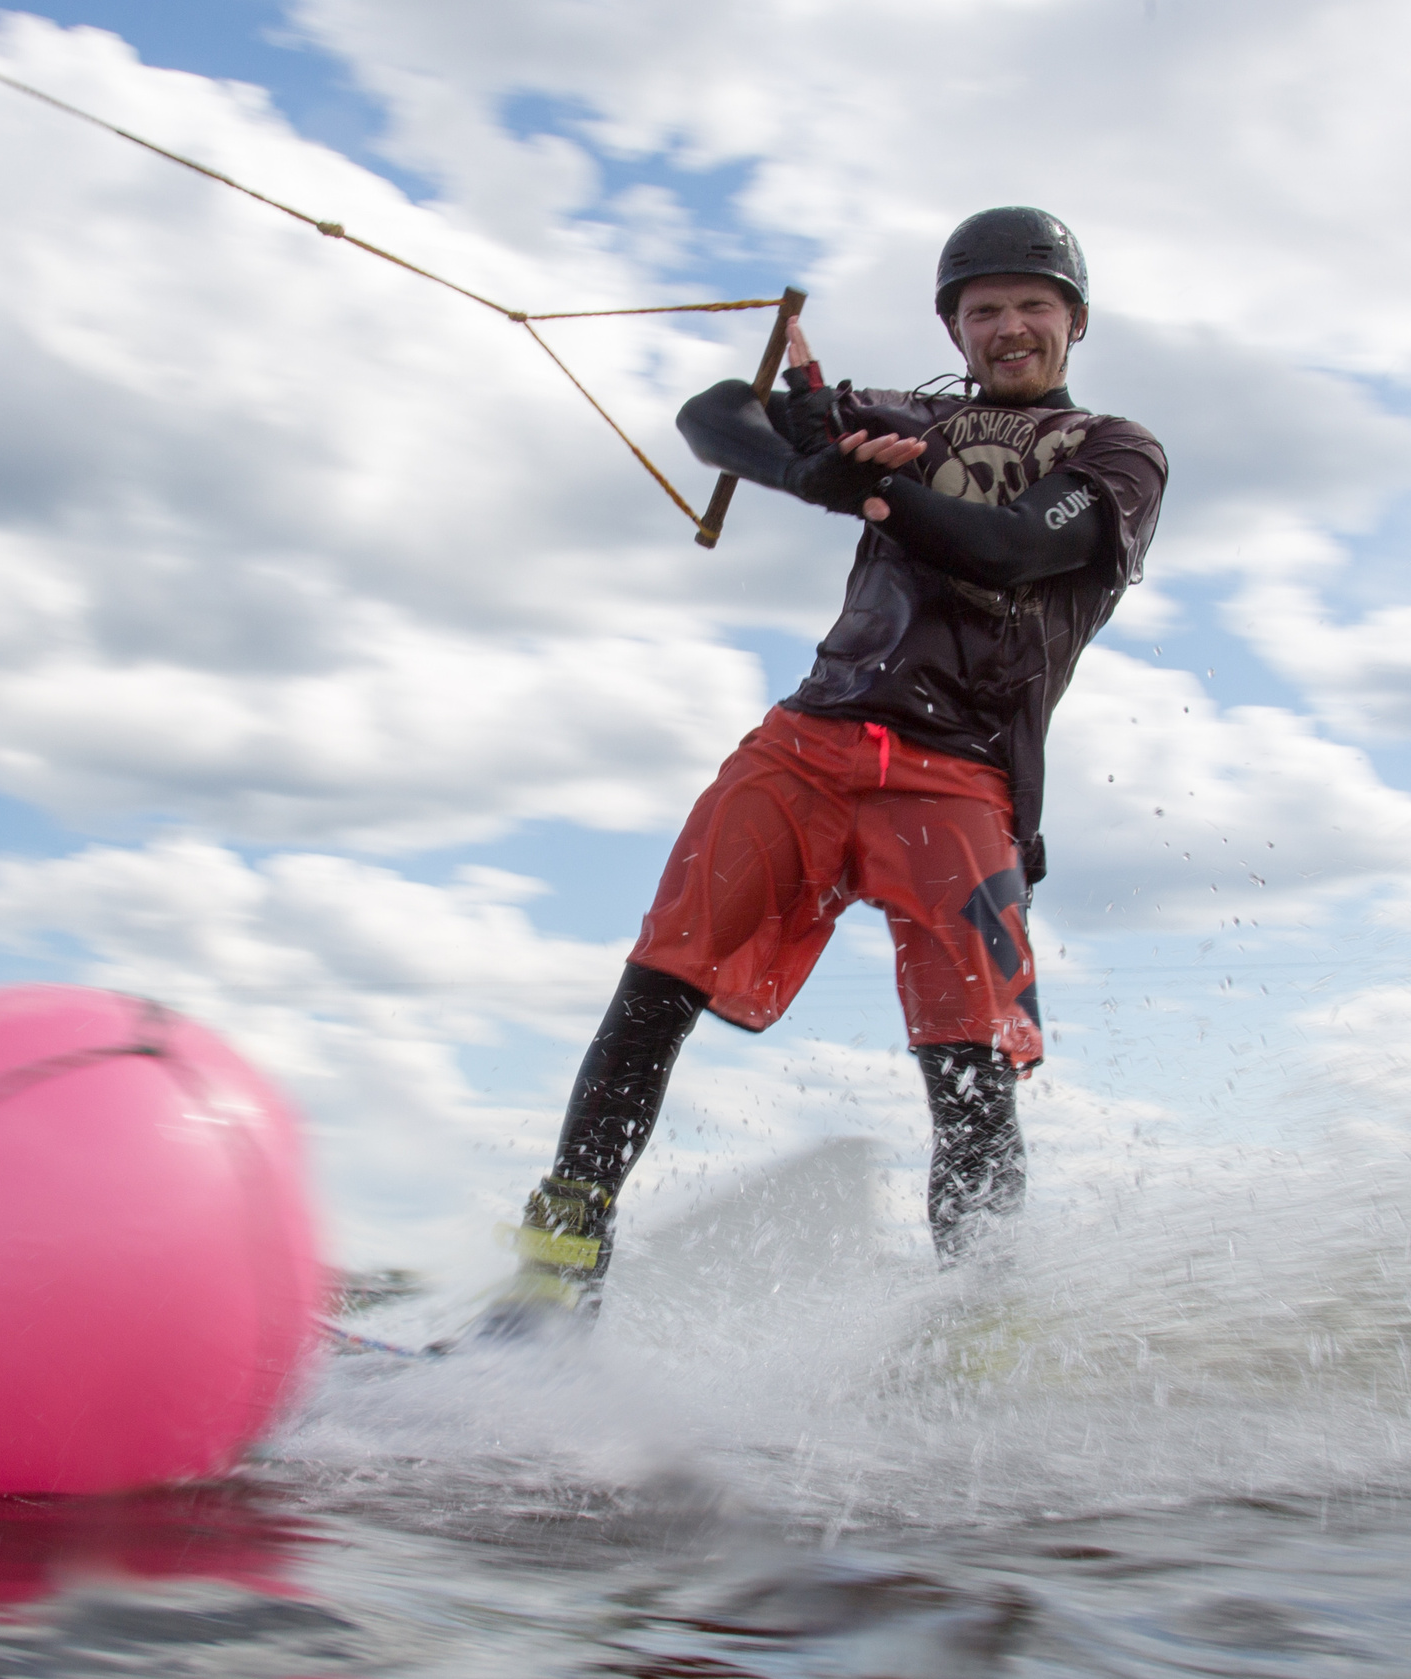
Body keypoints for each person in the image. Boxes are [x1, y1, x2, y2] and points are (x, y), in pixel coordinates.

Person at [491, 207, 1168, 1325]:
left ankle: (978, 1322)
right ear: (951, 325)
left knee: (967, 1064)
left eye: (1031, 307)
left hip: (963, 774)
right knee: (658, 980)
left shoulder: (1113, 449)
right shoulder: (898, 414)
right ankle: (557, 1266)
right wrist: (803, 457)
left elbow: (1016, 548)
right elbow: (711, 413)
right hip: (809, 739)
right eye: (982, 308)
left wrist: (861, 489)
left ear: (1075, 322)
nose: (1008, 328)